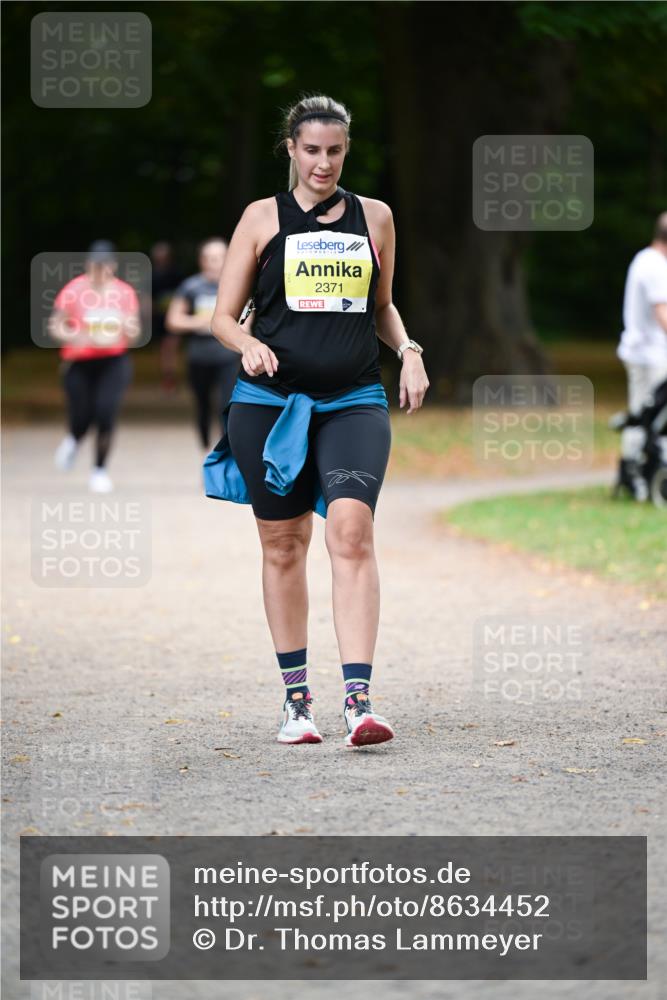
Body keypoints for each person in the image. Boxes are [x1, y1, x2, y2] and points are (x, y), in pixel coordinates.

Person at [207, 94, 429, 747]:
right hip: (269, 403)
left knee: (352, 534)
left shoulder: (376, 218)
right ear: (291, 150)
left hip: (354, 397)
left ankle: (358, 702)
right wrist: (244, 344)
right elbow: (223, 316)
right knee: (283, 546)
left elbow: (381, 306)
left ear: (345, 150)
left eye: (334, 151)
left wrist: (409, 350)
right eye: (311, 150)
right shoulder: (260, 218)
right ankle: (296, 702)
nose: (323, 163)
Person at [50, 240, 140, 493]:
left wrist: (129, 329)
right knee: (81, 415)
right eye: (95, 265)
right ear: (88, 265)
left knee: (105, 412)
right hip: (79, 361)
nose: (100, 271)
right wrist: (70, 335)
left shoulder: (124, 292)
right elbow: (55, 324)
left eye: (105, 266)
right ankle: (74, 439)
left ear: (112, 266)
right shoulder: (74, 289)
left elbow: (133, 330)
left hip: (114, 361)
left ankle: (99, 470)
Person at [165, 238, 240, 449]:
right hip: (198, 356)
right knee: (202, 406)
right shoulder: (191, 286)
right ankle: (205, 449)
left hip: (228, 356)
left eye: (218, 258)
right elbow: (173, 321)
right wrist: (204, 322)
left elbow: (246, 322)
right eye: (209, 258)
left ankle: (224, 454)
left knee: (227, 406)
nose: (214, 262)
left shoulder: (237, 285)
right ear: (201, 260)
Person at [616, 212, 667, 498]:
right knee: (645, 416)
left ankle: (636, 471)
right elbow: (663, 314)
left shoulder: (645, 259)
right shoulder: (655, 267)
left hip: (644, 353)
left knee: (644, 415)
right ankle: (636, 474)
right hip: (650, 356)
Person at [149, 241, 183, 394]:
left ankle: (171, 378)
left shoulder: (176, 273)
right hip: (158, 319)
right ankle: (167, 377)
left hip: (173, 317)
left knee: (171, 347)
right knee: (164, 350)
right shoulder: (152, 275)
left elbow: (182, 295)